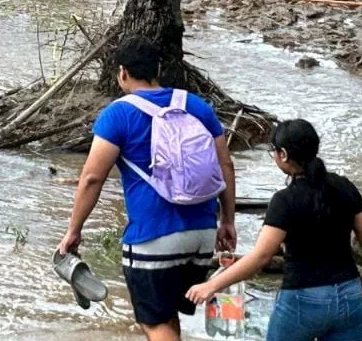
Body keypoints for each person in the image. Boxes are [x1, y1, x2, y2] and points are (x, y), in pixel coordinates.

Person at [58, 38, 237, 341]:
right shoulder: (197, 106)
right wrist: (227, 221)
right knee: (168, 317)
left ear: (123, 73)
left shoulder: (118, 114)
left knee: (155, 324)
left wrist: (74, 229)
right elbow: (226, 166)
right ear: (157, 69)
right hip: (203, 235)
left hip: (153, 238)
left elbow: (91, 178)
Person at [185, 119, 362, 341]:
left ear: (284, 155)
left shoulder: (285, 200)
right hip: (349, 295)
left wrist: (212, 285)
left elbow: (261, 256)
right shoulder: (344, 186)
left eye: (274, 152)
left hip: (303, 300)